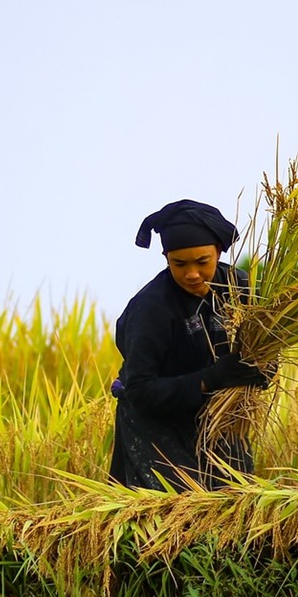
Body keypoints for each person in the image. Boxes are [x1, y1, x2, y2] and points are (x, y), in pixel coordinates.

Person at [108, 199, 270, 490]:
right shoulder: (151, 308)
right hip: (156, 430)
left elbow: (269, 353)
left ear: (218, 253)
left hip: (221, 424)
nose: (191, 274)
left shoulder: (241, 288)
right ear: (166, 258)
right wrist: (211, 379)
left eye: (202, 262)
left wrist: (258, 371)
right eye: (179, 264)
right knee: (171, 519)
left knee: (235, 512)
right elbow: (141, 390)